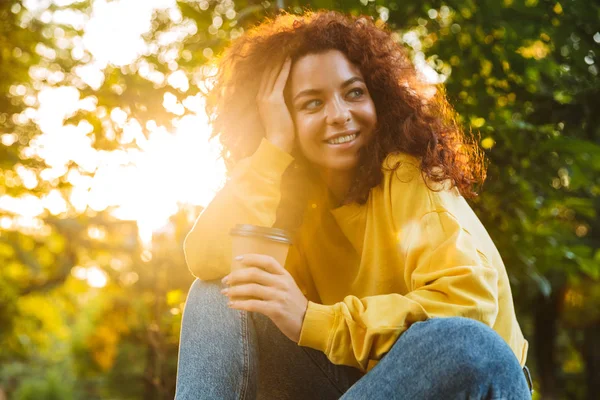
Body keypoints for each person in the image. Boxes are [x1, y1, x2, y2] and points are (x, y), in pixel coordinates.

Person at [175, 9, 533, 400]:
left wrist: (315, 321)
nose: (340, 115)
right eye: (312, 103)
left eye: (354, 92)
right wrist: (274, 148)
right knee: (224, 289)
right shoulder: (290, 196)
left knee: (467, 343)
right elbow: (207, 259)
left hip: (467, 380)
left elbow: (468, 311)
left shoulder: (408, 173)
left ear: (378, 97)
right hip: (353, 387)